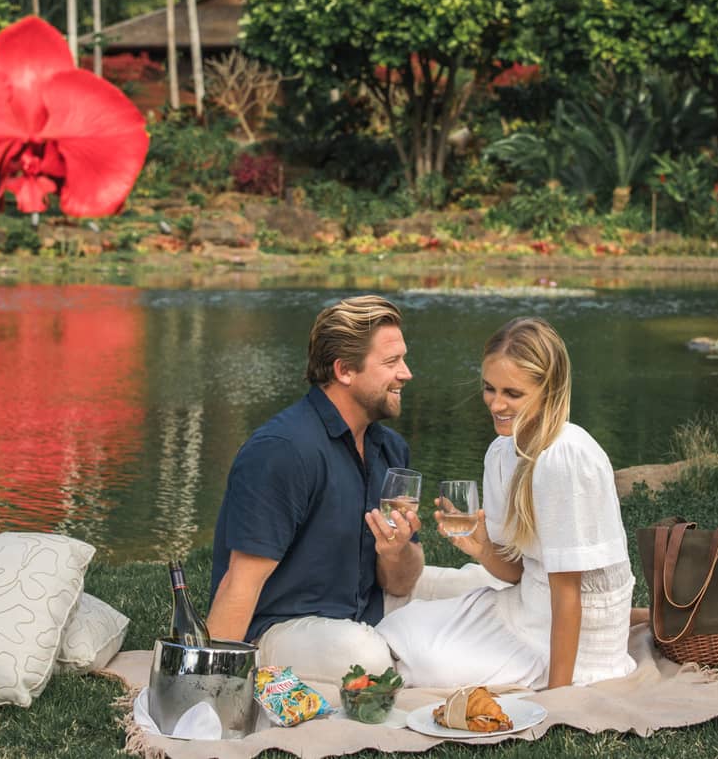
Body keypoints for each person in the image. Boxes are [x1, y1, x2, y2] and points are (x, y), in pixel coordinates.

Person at [375, 316, 638, 690]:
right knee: (400, 627)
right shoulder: (502, 451)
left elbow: (568, 593)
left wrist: (559, 698)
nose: (496, 404)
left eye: (512, 394)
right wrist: (481, 546)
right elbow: (517, 572)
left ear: (548, 390)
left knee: (425, 669)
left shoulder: (564, 458)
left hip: (574, 639)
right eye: (489, 389)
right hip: (526, 606)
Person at [207, 295, 424, 679]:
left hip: (365, 611)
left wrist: (397, 550)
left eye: (403, 359)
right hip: (279, 630)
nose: (406, 373)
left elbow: (400, 582)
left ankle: (409, 652)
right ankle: (408, 655)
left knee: (478, 585)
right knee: (365, 656)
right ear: (344, 371)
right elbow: (241, 581)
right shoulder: (283, 451)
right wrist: (209, 687)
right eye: (391, 363)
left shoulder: (391, 449)